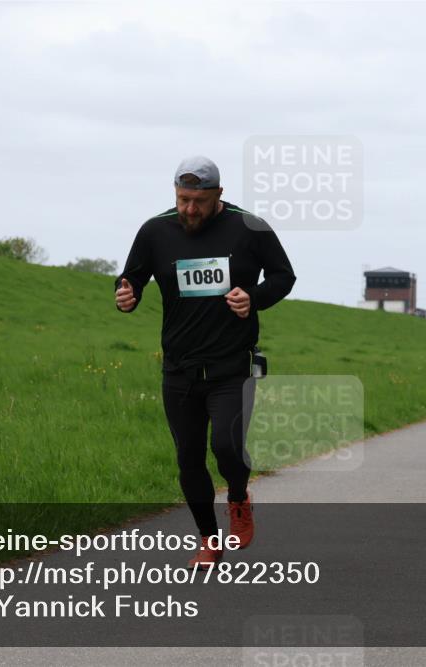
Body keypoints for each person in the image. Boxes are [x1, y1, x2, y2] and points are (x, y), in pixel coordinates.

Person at [115, 156, 296, 568]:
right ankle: (208, 539)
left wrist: (254, 298)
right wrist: (126, 296)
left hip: (232, 366)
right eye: (182, 200)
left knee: (228, 448)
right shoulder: (154, 231)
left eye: (199, 201)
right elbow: (132, 279)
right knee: (189, 457)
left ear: (219, 195)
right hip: (179, 368)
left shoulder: (250, 228)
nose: (189, 210)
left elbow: (284, 276)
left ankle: (237, 498)